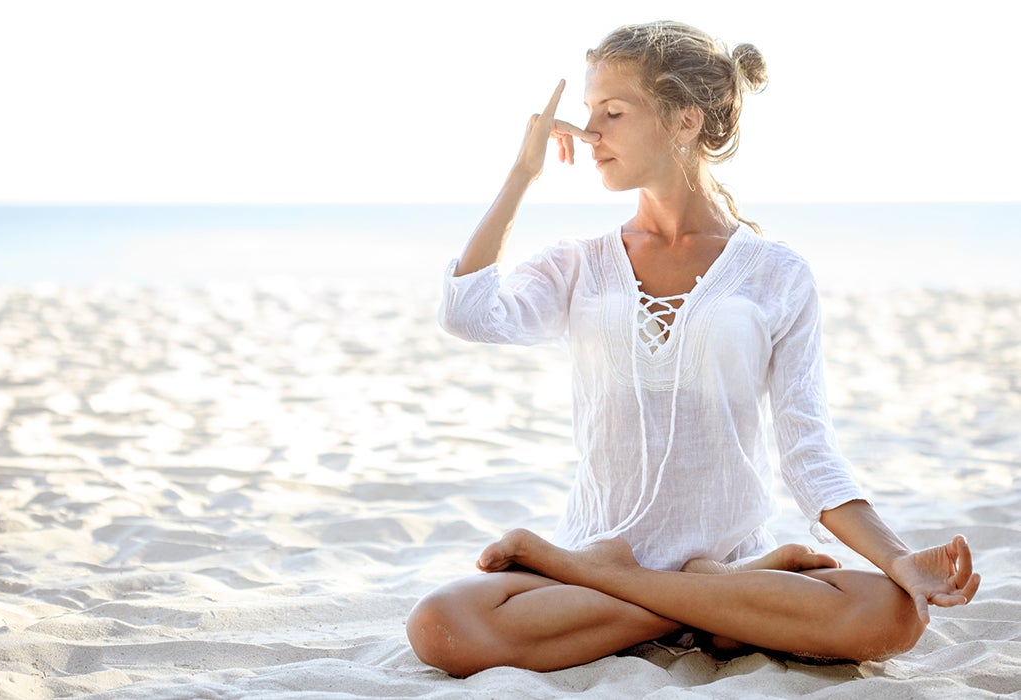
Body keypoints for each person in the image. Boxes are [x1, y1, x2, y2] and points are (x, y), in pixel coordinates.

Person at [406, 20, 980, 678]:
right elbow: (469, 313)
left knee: (895, 612)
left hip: (697, 568)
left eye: (613, 113)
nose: (590, 132)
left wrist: (898, 560)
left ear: (684, 121)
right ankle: (702, 604)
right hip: (620, 576)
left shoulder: (775, 273)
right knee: (441, 624)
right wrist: (520, 171)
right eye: (589, 112)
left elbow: (808, 453)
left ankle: (659, 585)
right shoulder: (581, 265)